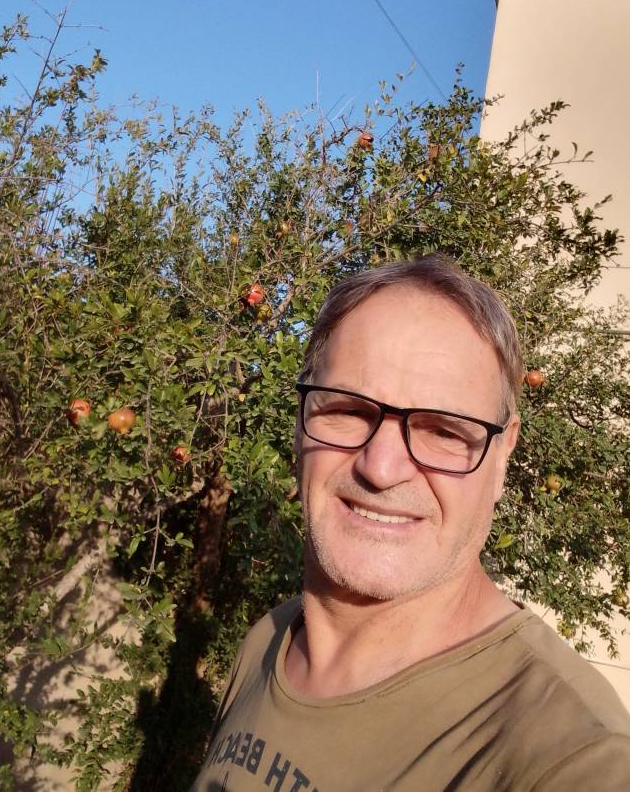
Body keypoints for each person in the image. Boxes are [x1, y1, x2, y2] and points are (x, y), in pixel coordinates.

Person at [191, 255, 630, 791]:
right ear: (300, 425)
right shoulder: (270, 640)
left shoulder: (571, 758)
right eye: (348, 410)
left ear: (502, 456)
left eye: (444, 430)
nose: (380, 468)